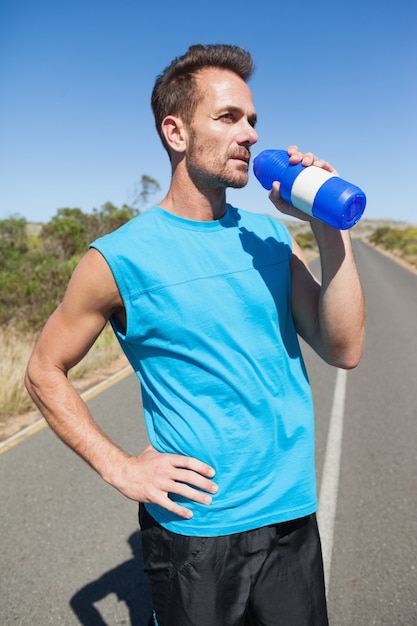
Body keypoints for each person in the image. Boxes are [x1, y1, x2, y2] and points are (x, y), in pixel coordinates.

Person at [25, 43, 365, 626]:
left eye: (253, 119)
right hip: (196, 535)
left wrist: (328, 229)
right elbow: (42, 369)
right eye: (229, 117)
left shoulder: (269, 238)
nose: (251, 135)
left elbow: (344, 347)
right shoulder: (118, 259)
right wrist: (119, 467)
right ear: (176, 132)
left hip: (290, 516)